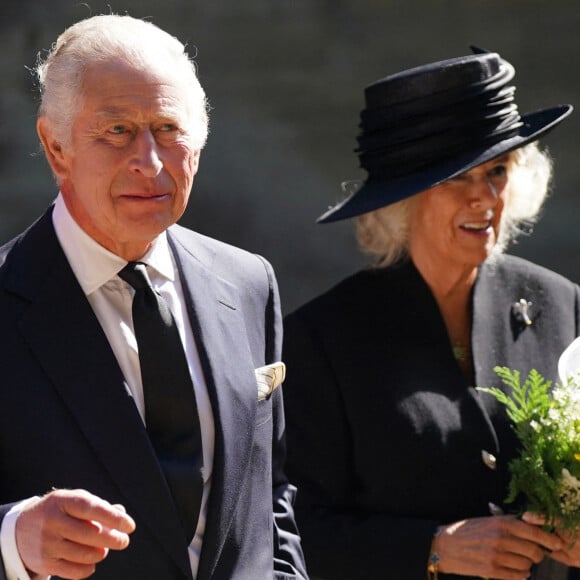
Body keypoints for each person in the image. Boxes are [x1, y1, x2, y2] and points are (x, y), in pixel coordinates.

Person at [0, 14, 307, 580]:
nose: (150, 161)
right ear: (55, 146)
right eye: (117, 131)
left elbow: (268, 498)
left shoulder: (246, 283)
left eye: (168, 128)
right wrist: (12, 538)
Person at [282, 48, 580, 580]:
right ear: (404, 199)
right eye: (456, 178)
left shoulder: (562, 304)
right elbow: (289, 528)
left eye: (497, 171)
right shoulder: (321, 341)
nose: (485, 197)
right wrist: (432, 548)